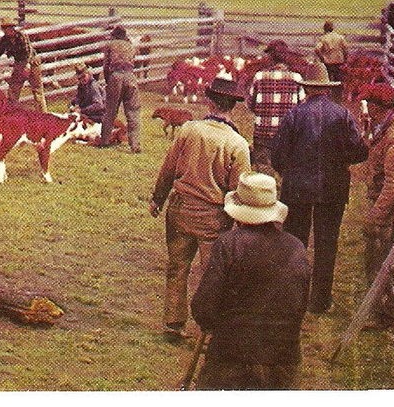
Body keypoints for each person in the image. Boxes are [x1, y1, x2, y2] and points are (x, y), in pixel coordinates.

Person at [149, 75, 251, 340]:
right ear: (233, 106)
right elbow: (239, 189)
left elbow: (168, 168)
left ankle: (173, 323)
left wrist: (157, 199)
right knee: (213, 275)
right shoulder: (237, 144)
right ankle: (209, 330)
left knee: (177, 267)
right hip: (213, 218)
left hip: (180, 210)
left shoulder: (188, 130)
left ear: (209, 101)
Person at [191, 171, 310, 390]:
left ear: (238, 213)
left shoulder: (228, 245)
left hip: (231, 356)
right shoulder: (297, 248)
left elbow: (203, 307)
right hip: (283, 358)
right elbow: (300, 306)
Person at [270, 63, 368, 313]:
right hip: (333, 188)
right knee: (327, 243)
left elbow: (277, 156)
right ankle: (321, 300)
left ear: (307, 89)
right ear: (326, 89)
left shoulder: (293, 116)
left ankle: (295, 296)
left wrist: (290, 171)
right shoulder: (343, 115)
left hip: (298, 188)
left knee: (295, 242)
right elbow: (359, 152)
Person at [359, 83, 394, 330]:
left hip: (389, 207)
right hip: (390, 204)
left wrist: (377, 214)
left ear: (376, 106)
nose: (366, 107)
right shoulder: (386, 127)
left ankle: (386, 314)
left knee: (378, 258)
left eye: (369, 102)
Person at [247, 40, 304, 175]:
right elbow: (302, 108)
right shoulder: (296, 78)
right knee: (287, 173)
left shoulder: (259, 77)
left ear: (270, 57)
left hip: (263, 133)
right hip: (288, 133)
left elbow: (251, 103)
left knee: (264, 172)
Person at [0, 17, 47, 112]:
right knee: (14, 89)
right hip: (19, 64)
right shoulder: (4, 40)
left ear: (13, 27)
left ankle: (43, 113)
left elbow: (28, 51)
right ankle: (12, 113)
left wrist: (27, 65)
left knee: (37, 89)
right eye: (5, 28)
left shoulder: (21, 36)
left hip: (32, 62)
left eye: (10, 27)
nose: (8, 30)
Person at [101, 25, 141, 152]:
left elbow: (106, 66)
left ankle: (105, 141)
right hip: (130, 77)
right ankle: (135, 145)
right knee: (133, 112)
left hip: (116, 76)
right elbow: (134, 61)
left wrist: (109, 81)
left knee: (110, 110)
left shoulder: (110, 45)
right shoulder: (131, 46)